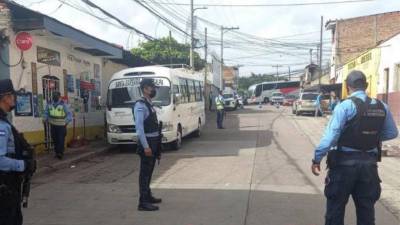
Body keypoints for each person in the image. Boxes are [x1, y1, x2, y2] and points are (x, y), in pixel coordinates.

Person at [311, 70, 398, 225]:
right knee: (366, 212)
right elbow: (392, 133)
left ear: (347, 86)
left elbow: (331, 137)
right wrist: (370, 136)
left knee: (335, 211)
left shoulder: (344, 106)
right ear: (366, 85)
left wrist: (317, 158)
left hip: (343, 166)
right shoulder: (382, 106)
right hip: (369, 167)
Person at [0, 79, 36, 225]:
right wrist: (24, 165)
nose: (14, 98)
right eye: (13, 96)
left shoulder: (5, 122)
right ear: (6, 97)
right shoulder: (2, 126)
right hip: (5, 187)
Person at [134, 78, 162, 211]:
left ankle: (148, 195)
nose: (153, 90)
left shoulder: (149, 103)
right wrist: (146, 147)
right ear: (145, 88)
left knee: (149, 172)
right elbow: (139, 129)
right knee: (145, 173)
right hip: (148, 143)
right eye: (152, 87)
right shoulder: (140, 105)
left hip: (154, 142)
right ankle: (143, 202)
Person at [43, 92, 72, 160]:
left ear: (59, 97)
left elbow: (69, 114)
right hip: (53, 125)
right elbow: (46, 112)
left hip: (61, 126)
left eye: (56, 96)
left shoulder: (63, 104)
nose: (54, 97)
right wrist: (44, 118)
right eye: (54, 95)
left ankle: (60, 153)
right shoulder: (50, 104)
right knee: (55, 139)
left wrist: (66, 122)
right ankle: (57, 152)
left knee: (60, 139)